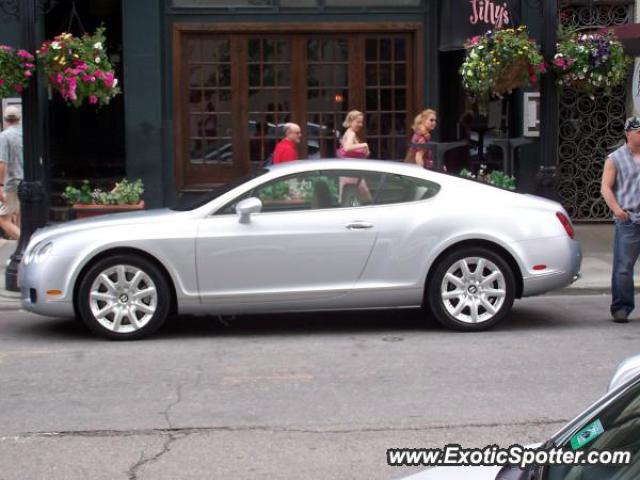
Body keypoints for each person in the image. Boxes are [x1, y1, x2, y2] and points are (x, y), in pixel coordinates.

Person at [601, 115, 640, 323]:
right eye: (639, 132)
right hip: (629, 220)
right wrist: (617, 210)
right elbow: (606, 187)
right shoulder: (615, 158)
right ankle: (621, 307)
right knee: (624, 267)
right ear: (628, 133)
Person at [0, 106, 23, 240]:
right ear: (19, 118)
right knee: (19, 218)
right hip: (26, 181)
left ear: (5, 119)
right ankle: (20, 254)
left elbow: (2, 162)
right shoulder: (26, 133)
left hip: (12, 183)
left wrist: (0, 185)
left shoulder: (4, 136)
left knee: (3, 220)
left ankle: (27, 245)